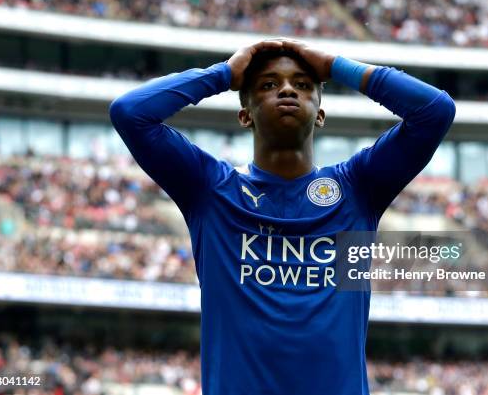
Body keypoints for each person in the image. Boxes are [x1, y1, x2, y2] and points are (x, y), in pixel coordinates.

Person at [109, 38, 455, 395]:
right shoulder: (210, 190)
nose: (287, 90)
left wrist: (336, 66)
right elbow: (130, 113)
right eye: (268, 84)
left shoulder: (357, 189)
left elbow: (435, 112)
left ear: (320, 115)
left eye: (303, 85)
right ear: (244, 115)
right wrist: (223, 74)